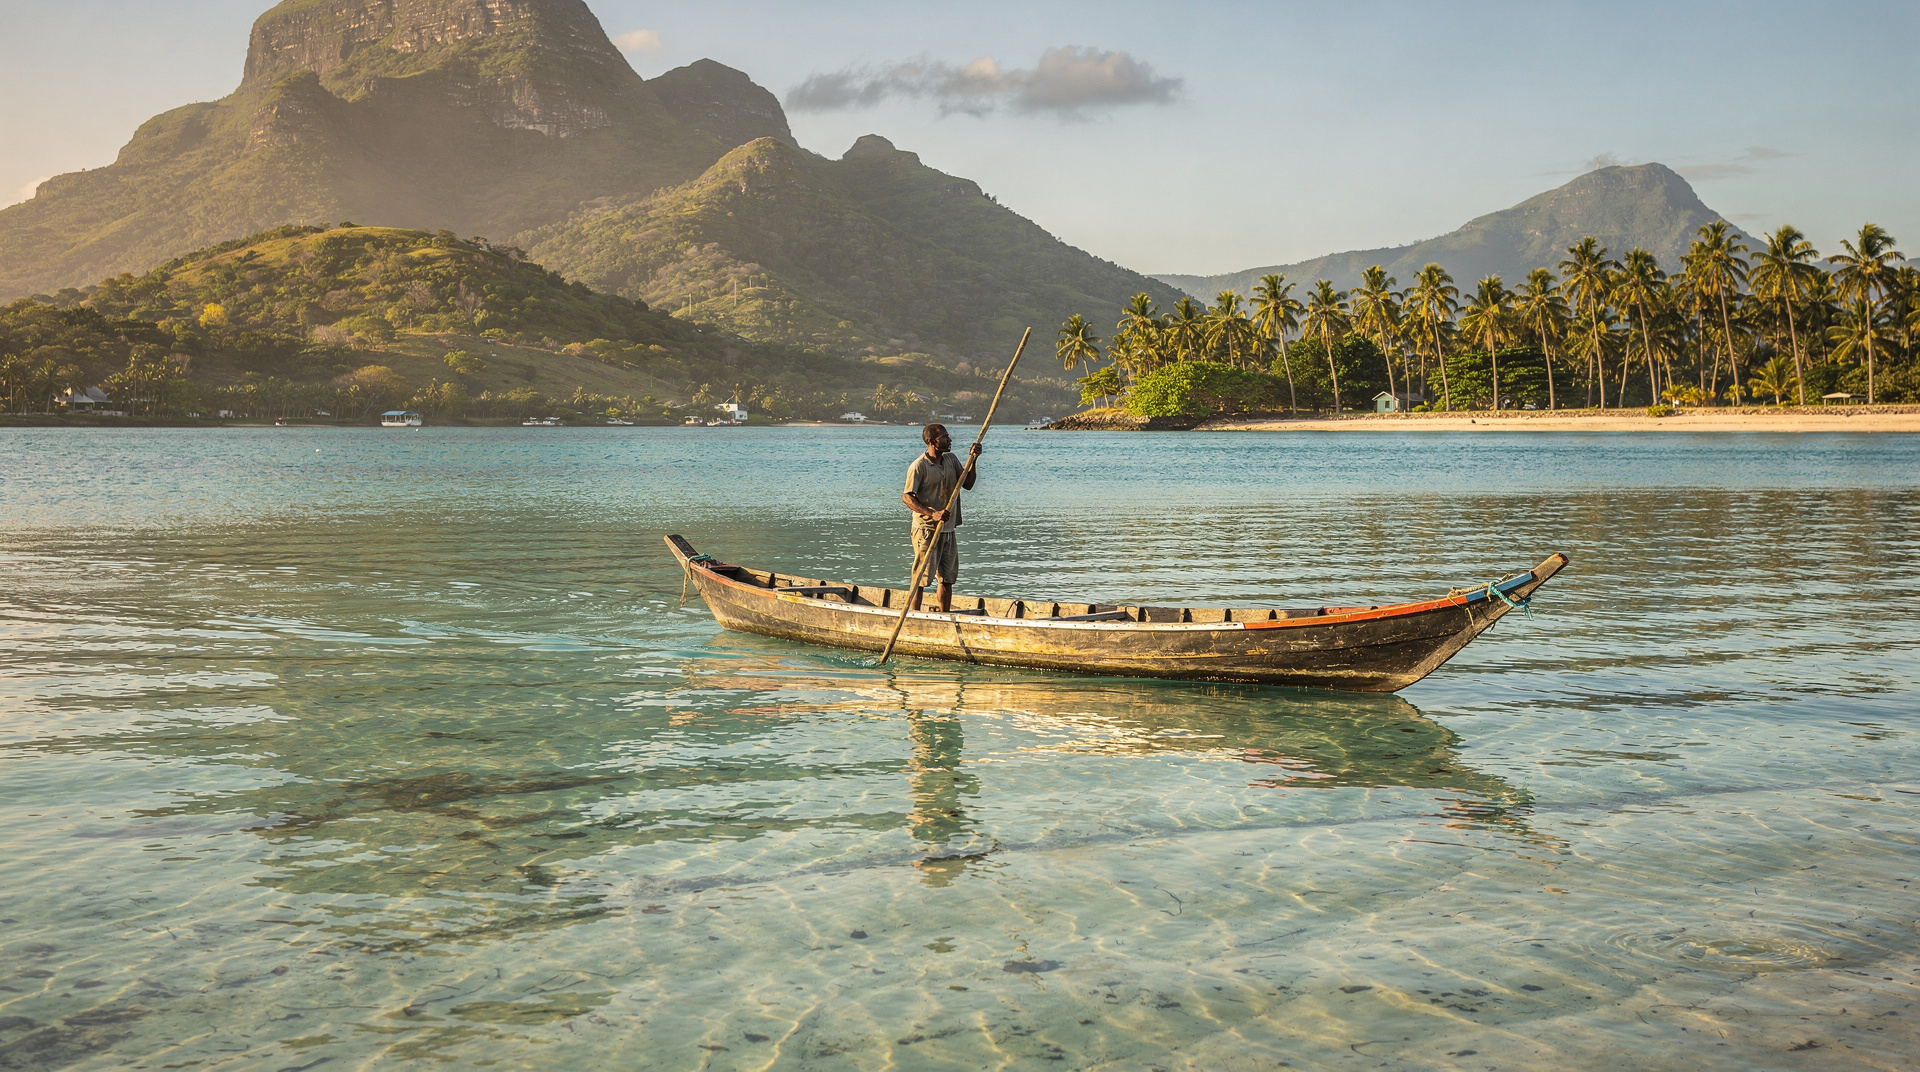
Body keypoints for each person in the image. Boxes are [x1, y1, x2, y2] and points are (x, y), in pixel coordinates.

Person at [902, 423, 980, 612]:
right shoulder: (919, 466)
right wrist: (932, 513)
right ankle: (913, 615)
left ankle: (944, 616)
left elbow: (967, 484)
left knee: (947, 578)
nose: (949, 439)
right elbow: (907, 497)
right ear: (932, 442)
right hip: (927, 529)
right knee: (922, 577)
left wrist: (973, 459)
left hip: (948, 529)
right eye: (945, 437)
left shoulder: (951, 460)